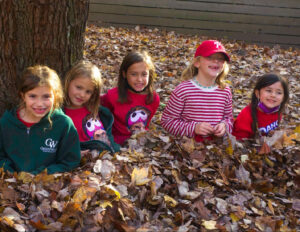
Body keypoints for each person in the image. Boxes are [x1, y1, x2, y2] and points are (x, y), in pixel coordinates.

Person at [0, 65, 81, 174]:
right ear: (23, 96)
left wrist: (42, 174)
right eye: (32, 96)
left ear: (55, 96)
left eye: (46, 96)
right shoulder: (7, 122)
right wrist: (10, 173)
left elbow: (70, 161)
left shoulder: (63, 124)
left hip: (48, 184)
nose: (39, 104)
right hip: (11, 181)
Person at [161, 40, 233, 142]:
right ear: (197, 62)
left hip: (216, 147)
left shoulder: (225, 90)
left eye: (221, 59)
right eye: (210, 57)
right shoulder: (183, 90)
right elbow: (167, 122)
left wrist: (224, 127)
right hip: (188, 147)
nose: (216, 61)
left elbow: (229, 119)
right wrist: (194, 128)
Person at [101, 51, 160, 145]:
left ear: (150, 74)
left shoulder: (153, 99)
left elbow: (147, 124)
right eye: (134, 74)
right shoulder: (112, 96)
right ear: (124, 74)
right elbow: (97, 109)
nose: (139, 79)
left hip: (141, 142)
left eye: (144, 74)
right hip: (116, 143)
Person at [64, 60, 119, 153]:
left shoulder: (95, 110)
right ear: (68, 82)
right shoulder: (62, 115)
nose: (82, 94)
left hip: (107, 154)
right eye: (78, 87)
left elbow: (108, 136)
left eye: (88, 91)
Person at [232, 73, 289, 140]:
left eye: (279, 93)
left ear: (284, 97)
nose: (273, 95)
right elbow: (240, 142)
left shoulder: (278, 111)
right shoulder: (247, 115)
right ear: (257, 93)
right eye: (268, 90)